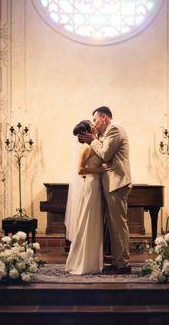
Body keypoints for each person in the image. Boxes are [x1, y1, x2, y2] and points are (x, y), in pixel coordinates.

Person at [79, 106, 132, 274]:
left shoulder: (114, 128)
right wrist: (94, 139)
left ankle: (123, 264)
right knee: (113, 225)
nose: (94, 124)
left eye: (95, 120)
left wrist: (91, 141)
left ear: (103, 117)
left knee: (118, 225)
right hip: (110, 183)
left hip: (117, 182)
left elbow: (105, 154)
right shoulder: (104, 134)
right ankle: (117, 261)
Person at [65, 120, 105, 275]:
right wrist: (99, 170)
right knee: (87, 222)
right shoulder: (86, 147)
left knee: (94, 223)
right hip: (91, 186)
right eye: (92, 125)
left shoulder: (94, 144)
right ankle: (82, 263)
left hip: (96, 186)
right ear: (87, 131)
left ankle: (92, 262)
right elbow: (80, 170)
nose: (95, 126)